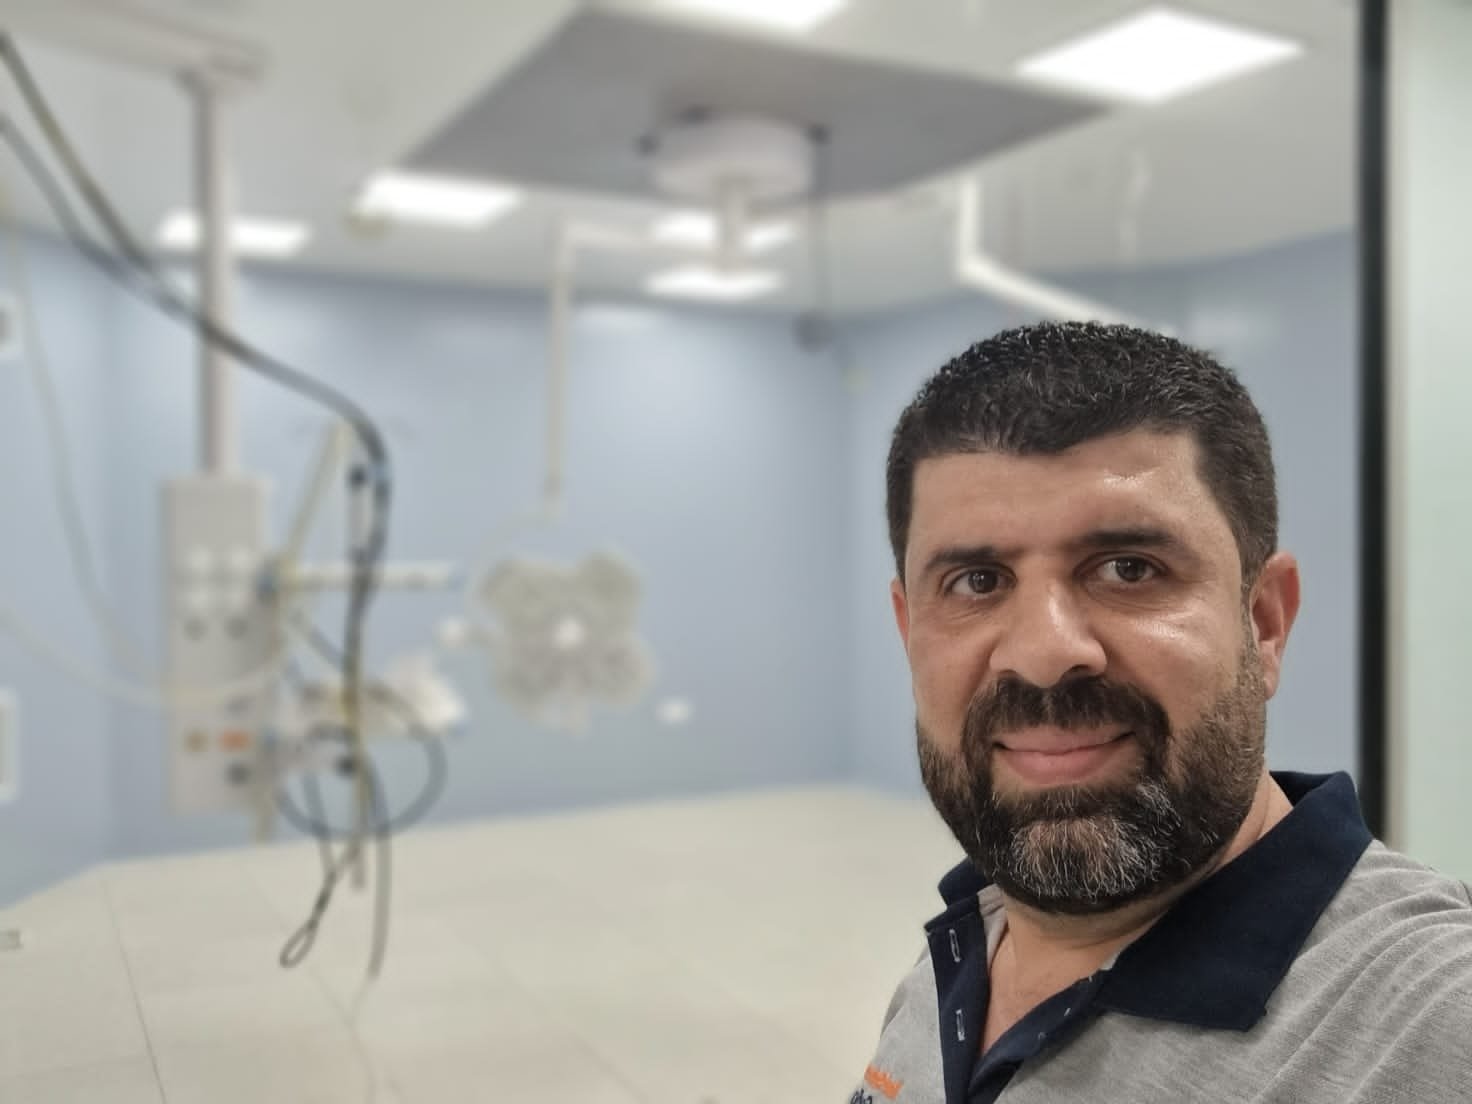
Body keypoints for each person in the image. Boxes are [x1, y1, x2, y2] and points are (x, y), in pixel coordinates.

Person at [853, 322, 1472, 1104]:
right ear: (909, 629)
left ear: (1265, 622)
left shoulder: (1433, 1022)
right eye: (976, 582)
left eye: (1128, 569)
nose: (1044, 654)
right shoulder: (970, 936)